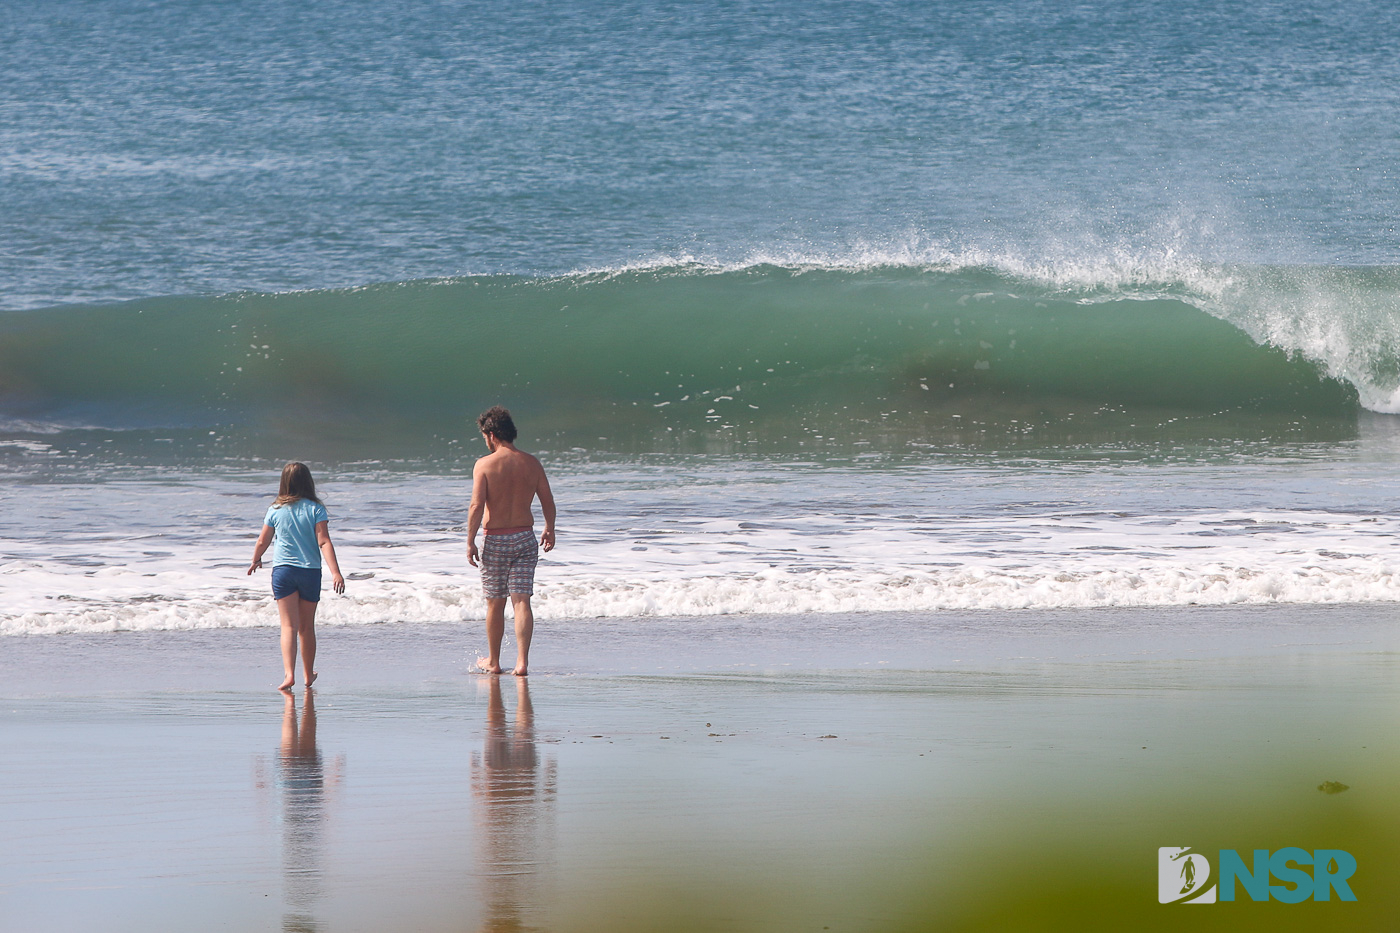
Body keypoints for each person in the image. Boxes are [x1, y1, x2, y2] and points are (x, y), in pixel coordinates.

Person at [467, 406, 556, 676]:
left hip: (495, 540)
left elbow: (476, 506)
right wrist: (549, 528)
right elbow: (548, 501)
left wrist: (470, 540)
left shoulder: (484, 464)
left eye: (484, 436)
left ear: (492, 435)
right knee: (522, 601)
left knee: (495, 602)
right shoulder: (531, 463)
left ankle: (493, 662)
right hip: (524, 538)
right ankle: (522, 663)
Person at [248, 462, 346, 691]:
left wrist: (256, 559)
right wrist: (336, 572)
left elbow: (263, 540)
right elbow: (323, 541)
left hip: (283, 572)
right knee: (306, 627)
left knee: (288, 627)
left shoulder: (275, 509)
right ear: (308, 482)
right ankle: (307, 675)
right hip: (309, 571)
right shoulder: (315, 509)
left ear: (284, 482)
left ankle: (289, 675)